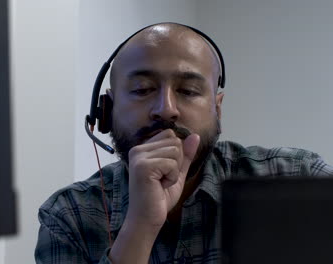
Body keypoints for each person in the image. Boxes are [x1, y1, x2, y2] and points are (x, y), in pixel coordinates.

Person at [34, 23, 333, 263]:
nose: (165, 109)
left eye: (188, 90)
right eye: (142, 89)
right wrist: (139, 226)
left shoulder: (295, 177)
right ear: (107, 111)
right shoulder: (69, 214)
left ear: (217, 108)